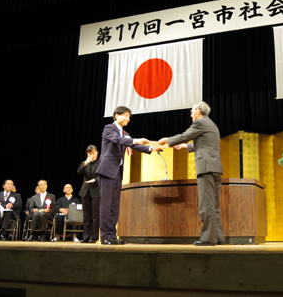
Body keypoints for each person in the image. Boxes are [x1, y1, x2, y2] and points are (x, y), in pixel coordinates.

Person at [158, 102, 225, 246]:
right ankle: (216, 238)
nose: (190, 112)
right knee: (214, 205)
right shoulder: (211, 124)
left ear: (199, 111)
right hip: (215, 168)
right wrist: (186, 146)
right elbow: (206, 143)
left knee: (206, 204)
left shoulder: (199, 123)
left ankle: (207, 239)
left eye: (192, 110)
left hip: (205, 168)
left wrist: (167, 140)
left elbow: (185, 135)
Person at [96, 106, 158, 245]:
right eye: (126, 116)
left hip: (117, 173)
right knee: (106, 206)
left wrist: (151, 148)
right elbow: (118, 140)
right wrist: (135, 140)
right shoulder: (109, 128)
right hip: (106, 171)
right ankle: (105, 236)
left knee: (114, 206)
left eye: (129, 117)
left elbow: (133, 145)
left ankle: (112, 236)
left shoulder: (125, 133)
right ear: (117, 115)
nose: (128, 119)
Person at [77, 145, 100, 243]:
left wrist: (95, 180)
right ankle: (85, 236)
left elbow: (103, 176)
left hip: (96, 191)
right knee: (86, 216)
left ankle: (93, 237)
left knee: (95, 216)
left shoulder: (101, 163)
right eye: (90, 154)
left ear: (97, 153)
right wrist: (86, 162)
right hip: (85, 191)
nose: (92, 156)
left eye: (93, 153)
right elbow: (79, 171)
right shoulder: (85, 163)